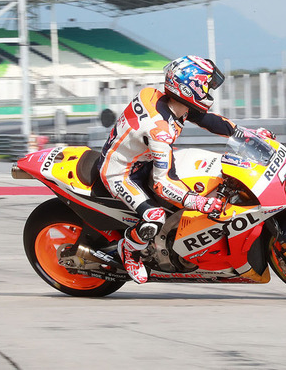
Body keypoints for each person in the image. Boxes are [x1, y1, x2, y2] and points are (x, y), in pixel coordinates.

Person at [97, 55, 271, 284]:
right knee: (154, 216)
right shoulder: (160, 130)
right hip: (120, 172)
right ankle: (129, 250)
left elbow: (208, 120)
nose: (210, 91)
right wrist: (199, 203)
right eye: (207, 86)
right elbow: (162, 183)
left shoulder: (164, 99)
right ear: (190, 89)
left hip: (142, 160)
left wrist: (247, 135)